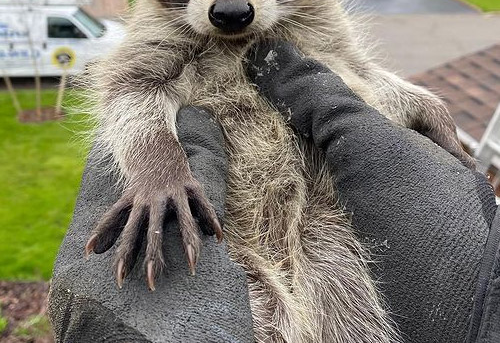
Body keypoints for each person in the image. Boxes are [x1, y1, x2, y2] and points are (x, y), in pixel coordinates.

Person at [48, 40, 500, 343]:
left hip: (326, 233)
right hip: (232, 236)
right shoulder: (170, 34)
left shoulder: (300, 20)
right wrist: (155, 167)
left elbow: (352, 74)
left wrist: (422, 103)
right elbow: (132, 89)